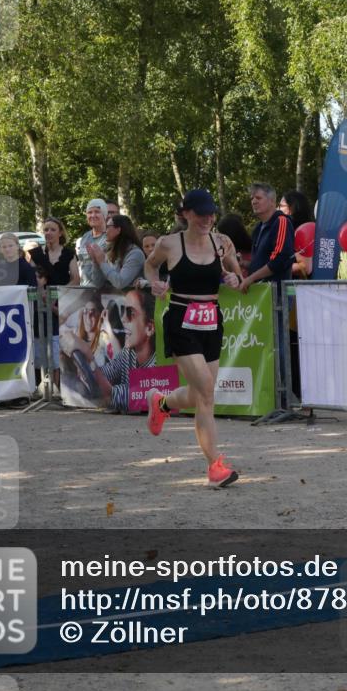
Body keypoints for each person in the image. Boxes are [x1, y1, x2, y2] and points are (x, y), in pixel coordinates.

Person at [143, 188, 244, 487]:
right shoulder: (169, 244)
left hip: (212, 321)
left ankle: (161, 402)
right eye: (201, 214)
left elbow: (237, 276)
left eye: (211, 213)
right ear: (185, 214)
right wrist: (155, 283)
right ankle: (215, 466)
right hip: (180, 320)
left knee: (199, 393)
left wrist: (233, 278)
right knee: (207, 391)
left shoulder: (222, 242)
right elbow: (150, 266)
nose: (207, 219)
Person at [27, 217, 79, 389]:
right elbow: (32, 279)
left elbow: (76, 279)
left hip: (61, 307)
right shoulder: (35, 254)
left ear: (60, 232)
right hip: (39, 307)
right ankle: (39, 386)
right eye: (46, 230)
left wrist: (58, 295)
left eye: (52, 229)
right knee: (39, 345)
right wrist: (41, 293)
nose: (48, 233)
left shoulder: (69, 253)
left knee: (58, 347)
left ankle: (60, 388)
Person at [241, 182, 295, 293]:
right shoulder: (258, 227)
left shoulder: (281, 221)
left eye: (258, 198)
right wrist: (244, 264)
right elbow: (261, 263)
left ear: (272, 201)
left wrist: (251, 278)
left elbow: (279, 260)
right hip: (260, 295)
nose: (253, 201)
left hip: (277, 296)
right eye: (252, 198)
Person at [89, 214, 145, 290]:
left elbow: (120, 282)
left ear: (118, 230)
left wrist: (102, 262)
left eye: (108, 227)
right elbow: (97, 284)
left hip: (135, 300)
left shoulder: (135, 253)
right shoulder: (109, 251)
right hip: (114, 299)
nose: (105, 231)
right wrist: (96, 262)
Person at [279, 191, 314, 278]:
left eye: (281, 206)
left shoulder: (303, 232)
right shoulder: (288, 230)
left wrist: (273, 268)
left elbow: (304, 268)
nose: (277, 209)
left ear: (292, 209)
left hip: (298, 289)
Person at [76, 198, 108, 287]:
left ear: (104, 215)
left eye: (97, 212)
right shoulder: (85, 237)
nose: (93, 215)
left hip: (104, 290)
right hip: (84, 289)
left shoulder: (109, 237)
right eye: (89, 212)